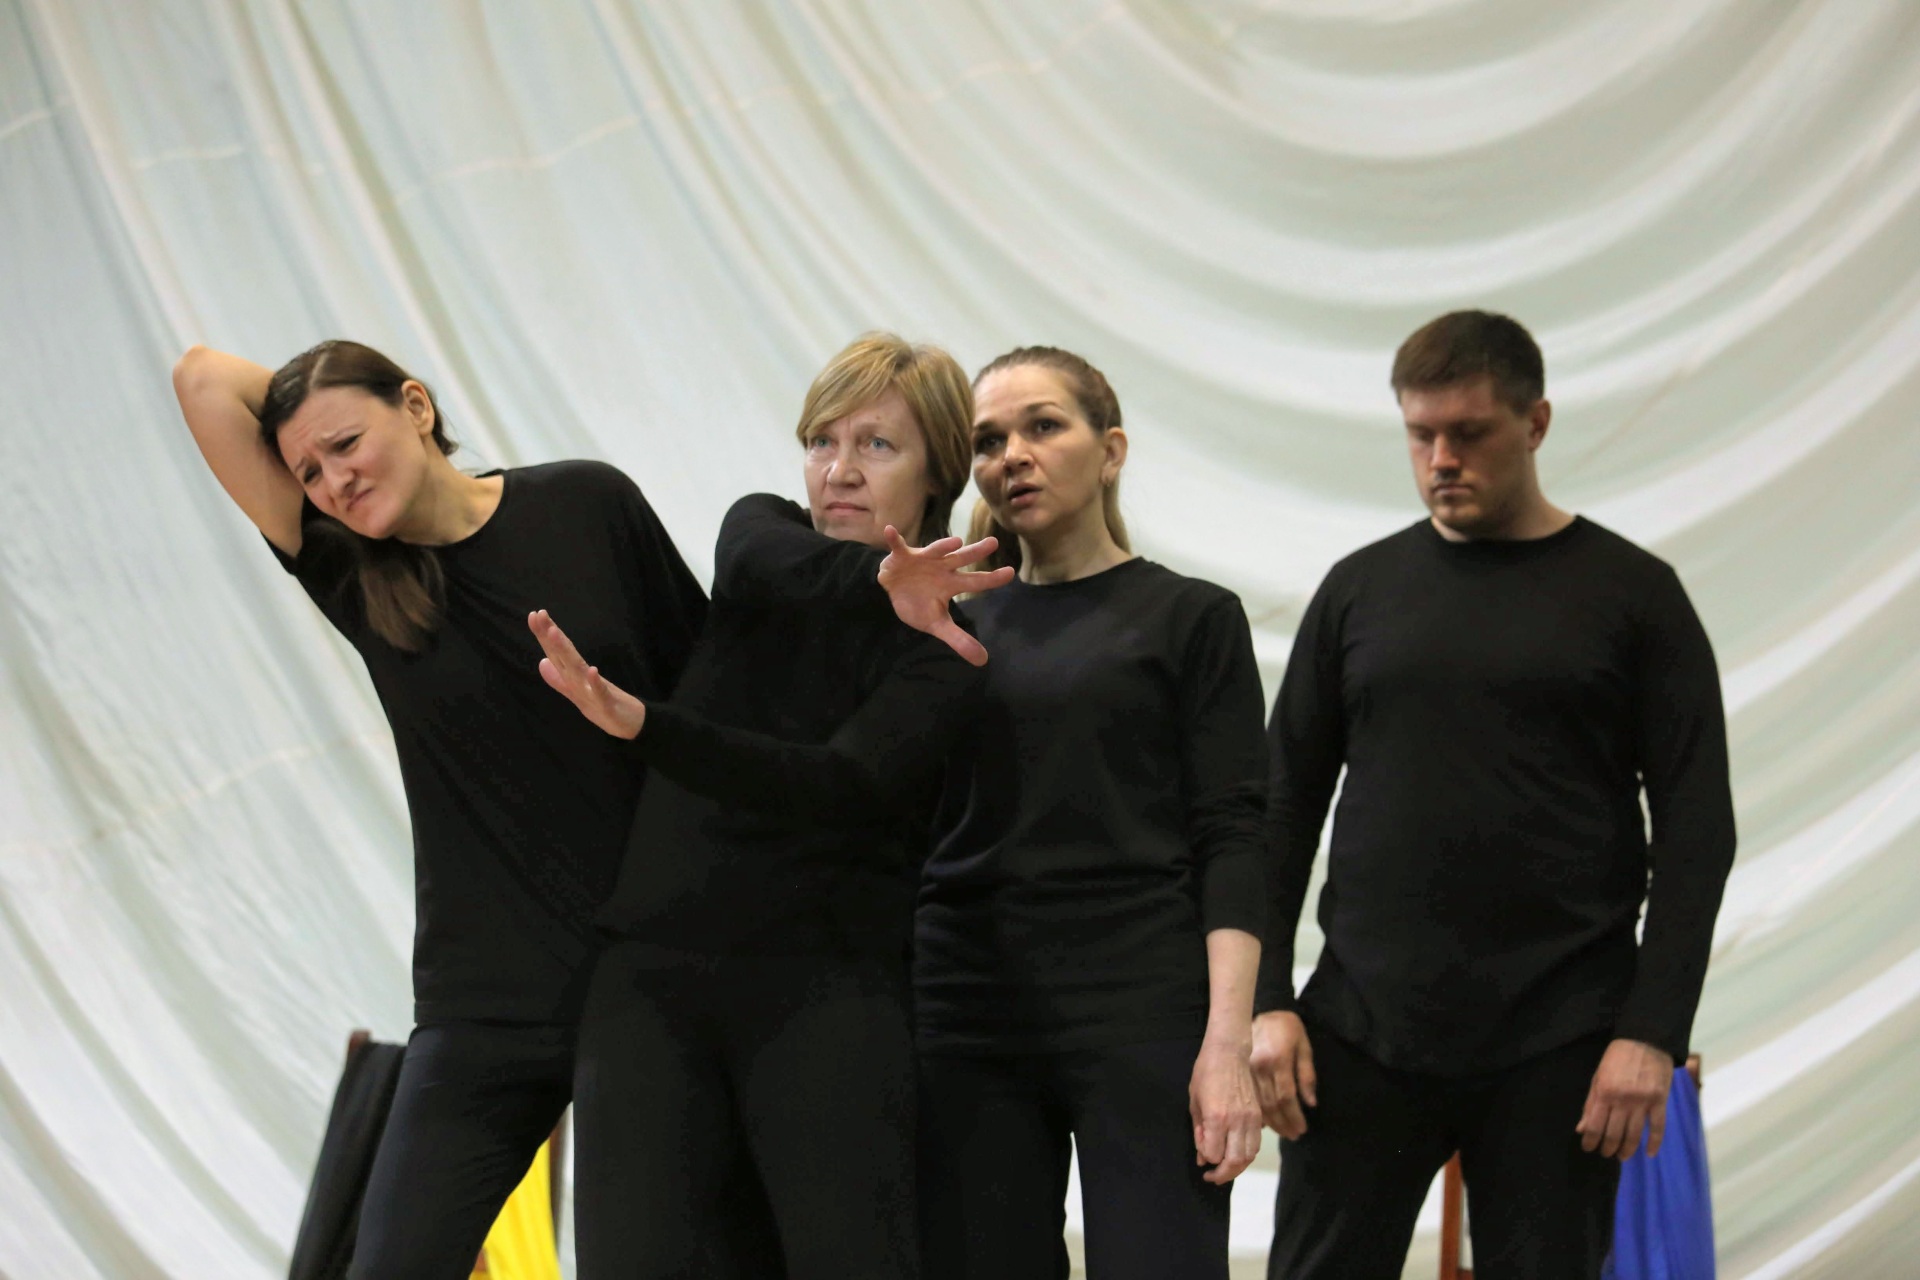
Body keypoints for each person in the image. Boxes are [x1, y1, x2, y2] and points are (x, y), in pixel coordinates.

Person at [171, 341, 708, 1278]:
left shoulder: (587, 503)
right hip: (481, 1009)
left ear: (416, 407)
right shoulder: (352, 572)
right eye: (308, 471)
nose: (334, 482)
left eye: (347, 443)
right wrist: (313, 404)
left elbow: (714, 705)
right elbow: (201, 380)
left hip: (646, 985)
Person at [1252, 311, 1738, 1280]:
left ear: (1536, 422)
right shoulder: (1358, 591)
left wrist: (1651, 1032)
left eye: (1469, 432)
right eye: (1421, 434)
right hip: (1361, 1028)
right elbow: (1278, 810)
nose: (1442, 459)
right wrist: (1264, 1002)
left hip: (1562, 1040)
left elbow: (1697, 831)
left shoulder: (1636, 596)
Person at [532, 333, 1010, 1280]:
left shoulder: (951, 648)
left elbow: (840, 786)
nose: (839, 469)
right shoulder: (763, 536)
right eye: (822, 440)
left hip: (826, 987)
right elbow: (763, 562)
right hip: (653, 978)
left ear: (939, 472)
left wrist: (651, 727)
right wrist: (882, 580)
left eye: (876, 445)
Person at [913, 346, 1269, 1280]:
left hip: (1141, 1004)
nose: (1013, 456)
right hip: (968, 1007)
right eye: (990, 440)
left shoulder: (1192, 618)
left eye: (1043, 426)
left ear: (1110, 450)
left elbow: (1234, 835)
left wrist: (1228, 1042)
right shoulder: (950, 626)